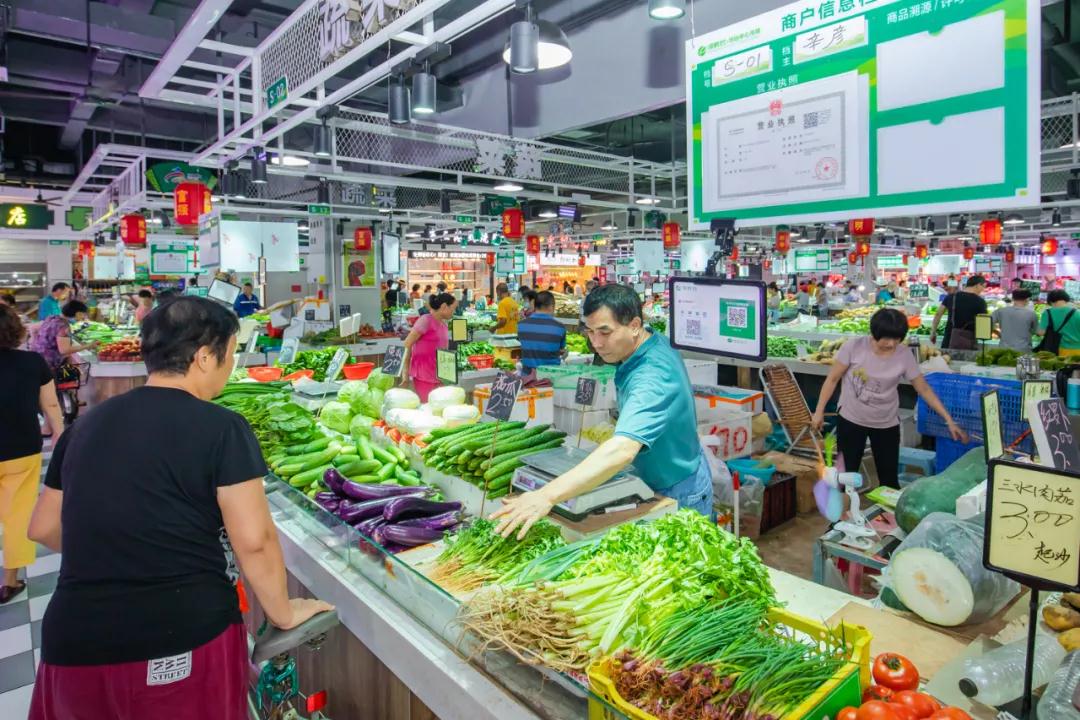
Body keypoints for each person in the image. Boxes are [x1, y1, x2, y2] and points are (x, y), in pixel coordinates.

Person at [26, 297, 332, 720]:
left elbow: (43, 527)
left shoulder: (85, 426)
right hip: (180, 638)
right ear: (205, 357)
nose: (231, 365)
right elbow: (254, 540)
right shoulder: (221, 426)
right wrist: (283, 611)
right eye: (230, 353)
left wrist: (123, 544)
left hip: (73, 642)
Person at [492, 285, 710, 538]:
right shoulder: (648, 343)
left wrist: (546, 495)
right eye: (590, 332)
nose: (596, 343)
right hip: (662, 473)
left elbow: (623, 449)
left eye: (605, 332)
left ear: (635, 325)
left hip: (676, 487)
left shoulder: (652, 375)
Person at [812, 309, 967, 489]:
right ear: (874, 333)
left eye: (896, 339)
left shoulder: (904, 355)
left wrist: (949, 420)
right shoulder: (853, 347)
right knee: (845, 477)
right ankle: (841, 516)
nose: (891, 344)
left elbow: (923, 388)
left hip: (886, 424)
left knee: (889, 481)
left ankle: (887, 516)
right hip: (851, 420)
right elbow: (832, 379)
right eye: (886, 338)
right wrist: (819, 411)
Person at [0, 305, 63, 603]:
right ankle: (9, 581)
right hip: (21, 449)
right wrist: (61, 435)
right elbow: (51, 406)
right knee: (16, 515)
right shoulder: (32, 362)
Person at [402, 292, 456, 402]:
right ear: (444, 306)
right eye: (453, 308)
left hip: (441, 376)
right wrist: (405, 374)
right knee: (428, 409)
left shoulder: (444, 323)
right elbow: (407, 345)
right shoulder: (425, 320)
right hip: (425, 376)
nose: (453, 312)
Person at [29, 300, 95, 375]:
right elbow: (64, 350)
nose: (83, 317)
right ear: (78, 313)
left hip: (37, 358)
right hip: (49, 363)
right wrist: (88, 346)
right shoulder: (63, 326)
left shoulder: (52, 318)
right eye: (83, 314)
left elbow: (34, 328)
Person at [930, 275, 987, 350]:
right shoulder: (980, 302)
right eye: (983, 286)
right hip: (968, 341)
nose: (983, 289)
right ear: (978, 285)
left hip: (949, 339)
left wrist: (933, 332)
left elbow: (938, 314)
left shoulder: (951, 297)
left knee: (946, 359)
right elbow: (983, 324)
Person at [518, 291, 566, 371]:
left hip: (527, 378)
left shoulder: (521, 325)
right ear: (552, 306)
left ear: (535, 305)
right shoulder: (559, 327)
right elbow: (561, 350)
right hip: (550, 378)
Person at [1037, 289, 1080, 357]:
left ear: (1051, 300)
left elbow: (1041, 332)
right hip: (1078, 349)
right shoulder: (1078, 313)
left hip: (1061, 349)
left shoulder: (1048, 313)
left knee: (1063, 367)